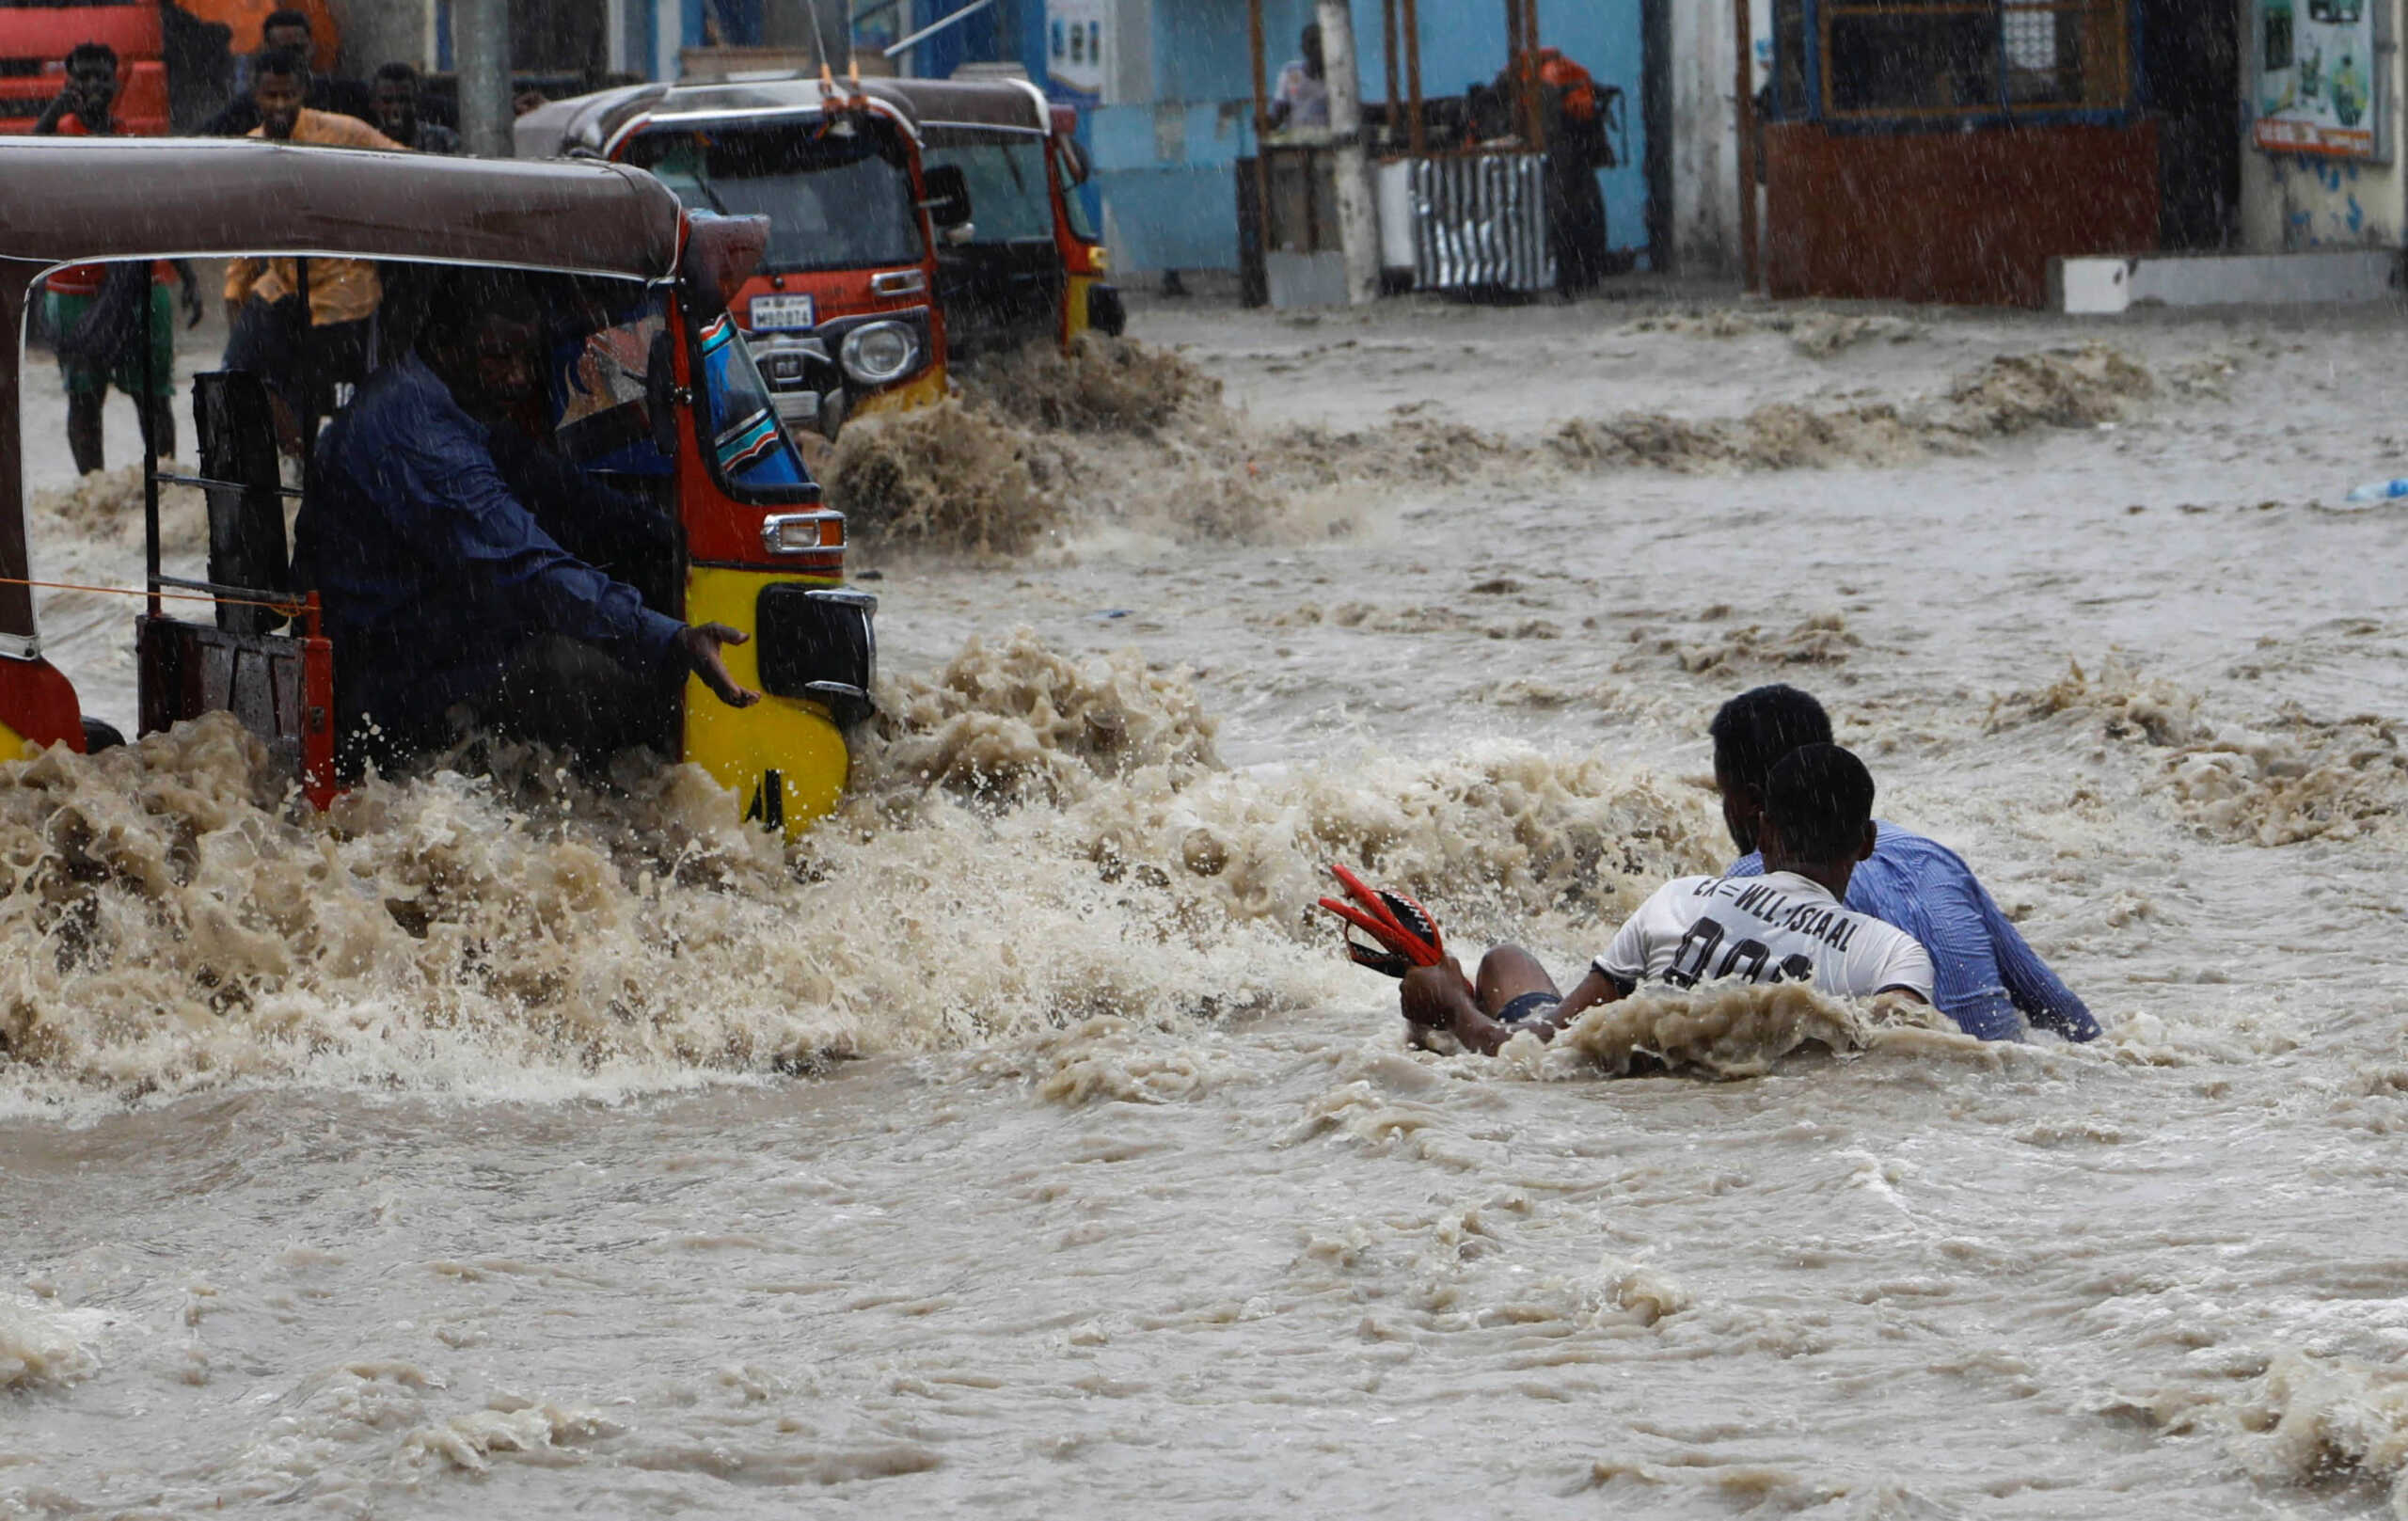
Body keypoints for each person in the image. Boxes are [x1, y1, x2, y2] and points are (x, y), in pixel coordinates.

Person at [296, 271, 758, 773]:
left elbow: (553, 487)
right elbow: (526, 567)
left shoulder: (441, 400)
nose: (518, 377)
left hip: (434, 637)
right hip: (402, 678)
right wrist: (668, 639)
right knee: (628, 688)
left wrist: (669, 537)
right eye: (499, 358)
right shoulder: (419, 437)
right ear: (446, 346)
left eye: (526, 359)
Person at [1402, 744, 1934, 1056]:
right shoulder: (1892, 955)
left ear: (1763, 831)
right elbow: (1899, 1067)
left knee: (1505, 960)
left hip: (1634, 1108)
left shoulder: (1680, 900)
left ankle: (1447, 986)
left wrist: (1452, 1007)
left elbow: (1537, 1052)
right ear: (1866, 842)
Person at [1712, 685, 2101, 1043]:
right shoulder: (1931, 857)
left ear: (1751, 805)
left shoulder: (1749, 885)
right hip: (1999, 1094)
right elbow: (2063, 1013)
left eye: (1722, 793)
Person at [31, 42, 206, 471]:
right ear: (68, 82)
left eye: (101, 76)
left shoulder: (133, 138)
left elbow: (156, 215)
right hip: (74, 288)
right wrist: (54, 113)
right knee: (84, 398)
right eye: (83, 76)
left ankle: (164, 486)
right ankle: (96, 491)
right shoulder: (56, 136)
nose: (93, 85)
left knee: (154, 396)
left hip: (142, 288)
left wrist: (188, 276)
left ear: (117, 81)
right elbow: (22, 166)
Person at [220, 46, 405, 450]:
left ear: (303, 93)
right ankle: (286, 457)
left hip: (344, 290)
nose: (281, 105)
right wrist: (235, 293)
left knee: (338, 400)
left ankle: (334, 466)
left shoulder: (344, 133)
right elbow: (244, 231)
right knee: (237, 373)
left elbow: (405, 167)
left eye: (289, 95)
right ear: (256, 96)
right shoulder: (248, 151)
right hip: (282, 286)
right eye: (272, 96)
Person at [200, 8, 371, 135]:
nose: (280, 104)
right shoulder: (246, 107)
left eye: (297, 49)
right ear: (266, 48)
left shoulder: (342, 94)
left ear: (311, 48)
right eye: (282, 50)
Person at [370, 61, 459, 153]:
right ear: (374, 104)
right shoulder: (366, 143)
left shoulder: (444, 140)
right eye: (387, 101)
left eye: (404, 100)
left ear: (416, 102)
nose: (396, 109)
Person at [1267, 24, 1328, 133]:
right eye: (1312, 43)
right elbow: (1280, 110)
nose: (1317, 48)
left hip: (1329, 144)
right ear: (1303, 48)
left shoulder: (1338, 78)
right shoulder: (1293, 73)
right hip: (1297, 144)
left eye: (1321, 43)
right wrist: (1267, 122)